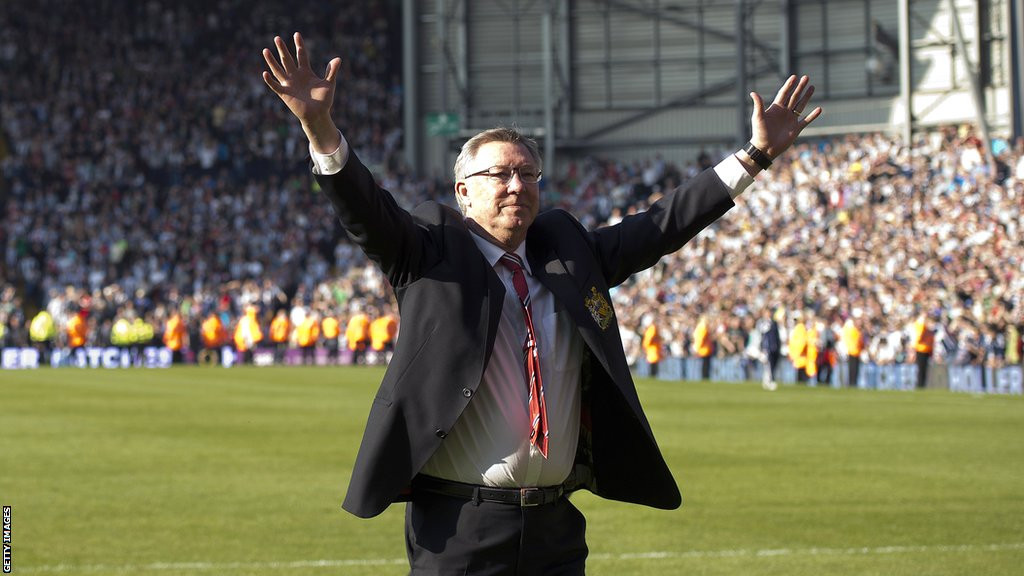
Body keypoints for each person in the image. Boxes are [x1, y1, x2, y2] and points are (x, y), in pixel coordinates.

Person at [262, 32, 820, 575]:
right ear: (463, 192)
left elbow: (661, 225)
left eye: (528, 173)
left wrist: (754, 156)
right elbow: (366, 208)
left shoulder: (567, 256)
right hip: (459, 527)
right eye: (499, 173)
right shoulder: (428, 252)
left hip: (556, 528)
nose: (516, 185)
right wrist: (319, 127)